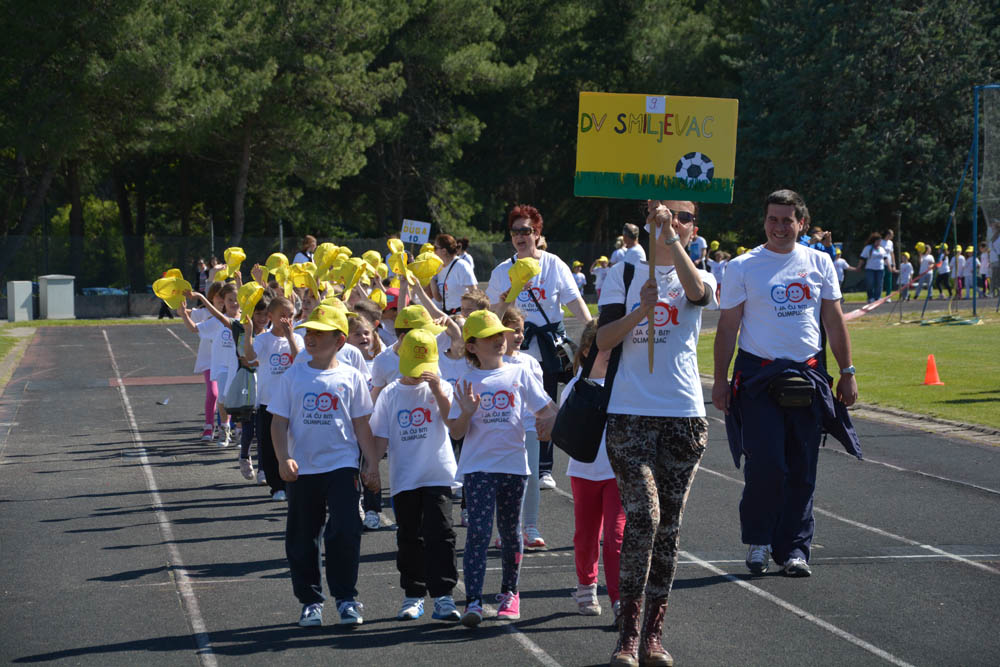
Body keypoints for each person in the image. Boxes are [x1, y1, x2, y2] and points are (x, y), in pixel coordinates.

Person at [712, 189, 860, 584]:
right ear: (764, 222)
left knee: (802, 467)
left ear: (802, 224)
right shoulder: (742, 266)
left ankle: (795, 548)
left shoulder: (819, 262)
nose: (779, 227)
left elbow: (834, 320)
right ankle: (759, 540)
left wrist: (847, 371)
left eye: (787, 220)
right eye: (773, 219)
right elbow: (727, 328)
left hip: (807, 376)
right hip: (758, 377)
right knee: (766, 464)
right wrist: (720, 381)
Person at [597, 199, 716, 666]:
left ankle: (653, 636)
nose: (674, 221)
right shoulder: (624, 273)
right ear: (645, 219)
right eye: (665, 215)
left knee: (668, 526)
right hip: (629, 415)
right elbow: (602, 341)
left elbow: (698, 295)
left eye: (683, 218)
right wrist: (637, 312)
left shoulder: (702, 273)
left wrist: (669, 238)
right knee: (643, 517)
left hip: (683, 418)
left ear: (693, 229)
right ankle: (626, 636)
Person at [269, 304, 380, 628]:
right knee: (302, 538)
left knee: (346, 529)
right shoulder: (293, 375)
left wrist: (371, 464)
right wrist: (282, 458)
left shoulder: (352, 377)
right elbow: (278, 423)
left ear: (340, 340)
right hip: (302, 469)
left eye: (320, 333)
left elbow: (361, 425)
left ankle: (346, 598)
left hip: (342, 466)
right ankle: (310, 601)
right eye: (309, 332)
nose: (311, 337)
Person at [445, 309, 557, 627]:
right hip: (479, 468)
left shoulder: (518, 374)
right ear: (471, 346)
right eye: (490, 337)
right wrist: (467, 412)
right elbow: (456, 432)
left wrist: (559, 420)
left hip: (514, 467)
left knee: (510, 533)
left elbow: (547, 408)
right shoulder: (467, 381)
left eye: (500, 335)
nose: (498, 341)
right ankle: (475, 601)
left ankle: (510, 593)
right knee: (479, 533)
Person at [486, 204, 592, 491]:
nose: (520, 236)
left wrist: (592, 329)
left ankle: (544, 467)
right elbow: (489, 315)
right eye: (515, 231)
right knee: (511, 405)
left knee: (545, 405)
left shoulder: (554, 264)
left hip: (547, 347)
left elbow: (573, 301)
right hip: (512, 347)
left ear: (537, 233)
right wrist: (506, 299)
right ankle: (510, 460)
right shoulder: (502, 271)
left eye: (526, 231)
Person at [370, 328, 462, 623]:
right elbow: (380, 437)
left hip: (438, 475)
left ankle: (444, 596)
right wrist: (370, 467)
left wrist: (437, 390)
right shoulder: (390, 394)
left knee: (442, 534)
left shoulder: (442, 389)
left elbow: (453, 425)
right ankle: (413, 594)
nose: (418, 375)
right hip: (405, 478)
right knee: (410, 537)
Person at [563, 320, 625, 623]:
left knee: (616, 537)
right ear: (587, 351)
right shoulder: (577, 387)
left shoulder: (627, 384)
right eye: (605, 349)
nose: (612, 355)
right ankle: (587, 585)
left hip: (618, 474)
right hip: (585, 472)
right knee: (586, 536)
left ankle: (619, 600)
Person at [244, 294, 301, 500]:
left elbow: (299, 362)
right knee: (268, 445)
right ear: (271, 316)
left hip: (292, 402)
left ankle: (292, 481)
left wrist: (291, 336)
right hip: (268, 402)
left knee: (291, 443)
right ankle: (276, 486)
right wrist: (249, 333)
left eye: (291, 316)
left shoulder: (298, 338)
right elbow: (250, 359)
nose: (287, 320)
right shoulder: (263, 339)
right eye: (282, 316)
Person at [500, 305, 547, 550]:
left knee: (530, 476)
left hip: (528, 426)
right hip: (502, 429)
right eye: (512, 330)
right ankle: (507, 529)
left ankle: (530, 526)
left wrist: (543, 420)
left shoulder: (530, 362)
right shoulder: (492, 362)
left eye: (520, 330)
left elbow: (540, 399)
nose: (518, 336)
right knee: (506, 480)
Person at [178, 281, 225, 441]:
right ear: (212, 297)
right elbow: (190, 316)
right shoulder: (205, 313)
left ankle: (224, 427)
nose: (221, 299)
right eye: (218, 296)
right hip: (209, 361)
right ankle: (208, 426)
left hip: (225, 362)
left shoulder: (231, 315)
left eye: (223, 296)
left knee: (225, 396)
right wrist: (182, 311)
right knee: (213, 393)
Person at [430, 233, 478, 315]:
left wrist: (468, 314)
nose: (433, 251)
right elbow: (438, 298)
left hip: (461, 315)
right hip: (447, 315)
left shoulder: (461, 265)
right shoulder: (439, 268)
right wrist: (430, 277)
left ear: (444, 251)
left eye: (435, 248)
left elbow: (475, 293)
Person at [855, 232, 889, 303]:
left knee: (879, 283)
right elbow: (862, 258)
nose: (879, 242)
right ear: (874, 241)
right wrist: (859, 267)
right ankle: (870, 297)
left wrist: (889, 266)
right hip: (870, 269)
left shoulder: (882, 249)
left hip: (880, 269)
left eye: (880, 241)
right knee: (870, 283)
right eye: (878, 241)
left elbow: (885, 258)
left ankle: (878, 297)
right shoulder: (868, 248)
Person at [881, 229, 897, 297]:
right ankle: (879, 295)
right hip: (882, 263)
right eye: (891, 234)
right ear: (887, 234)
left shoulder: (890, 243)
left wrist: (893, 264)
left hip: (889, 263)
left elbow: (892, 253)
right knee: (881, 280)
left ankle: (888, 295)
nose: (893, 236)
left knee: (889, 280)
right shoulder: (881, 241)